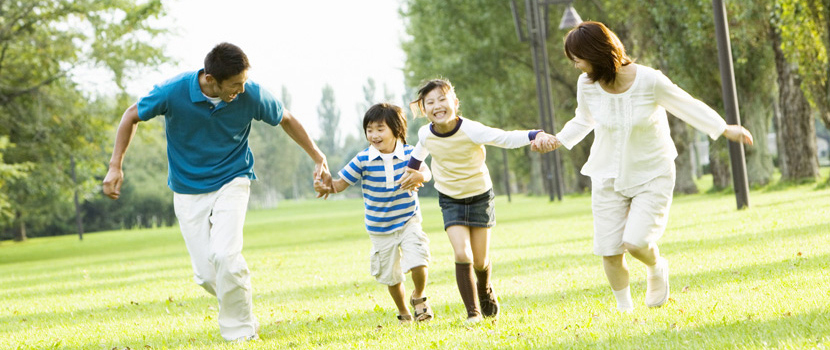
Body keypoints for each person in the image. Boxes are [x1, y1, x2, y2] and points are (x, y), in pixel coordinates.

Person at [102, 42, 332, 341]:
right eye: (235, 84)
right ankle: (245, 312)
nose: (241, 88)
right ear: (210, 79)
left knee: (225, 255)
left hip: (233, 179)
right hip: (187, 188)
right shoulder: (172, 91)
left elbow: (286, 118)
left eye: (244, 81)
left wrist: (318, 157)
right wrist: (115, 165)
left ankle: (242, 335)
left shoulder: (250, 93)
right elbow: (130, 115)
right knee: (207, 274)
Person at [534, 21, 754, 312]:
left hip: (652, 172)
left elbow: (685, 104)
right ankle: (626, 313)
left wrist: (725, 129)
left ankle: (656, 266)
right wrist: (558, 140)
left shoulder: (649, 80)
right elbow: (583, 119)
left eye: (578, 58)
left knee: (636, 243)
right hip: (607, 173)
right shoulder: (586, 85)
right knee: (609, 250)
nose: (576, 66)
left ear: (597, 52)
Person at [401, 78, 556, 324]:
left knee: (481, 261)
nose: (437, 105)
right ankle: (472, 313)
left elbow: (504, 138)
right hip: (450, 198)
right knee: (462, 253)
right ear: (423, 108)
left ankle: (484, 289)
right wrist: (412, 171)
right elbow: (419, 151)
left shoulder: (471, 129)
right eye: (430, 102)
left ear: (455, 102)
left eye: (442, 99)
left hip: (480, 196)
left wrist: (535, 134)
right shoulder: (425, 133)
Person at [313, 103, 434, 324]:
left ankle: (419, 295)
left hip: (408, 220)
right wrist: (326, 186)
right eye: (369, 129)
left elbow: (426, 172)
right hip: (379, 227)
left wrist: (420, 177)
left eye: (380, 129)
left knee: (418, 259)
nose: (374, 135)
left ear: (396, 129)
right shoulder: (363, 159)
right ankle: (404, 312)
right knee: (391, 276)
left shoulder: (410, 153)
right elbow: (340, 184)